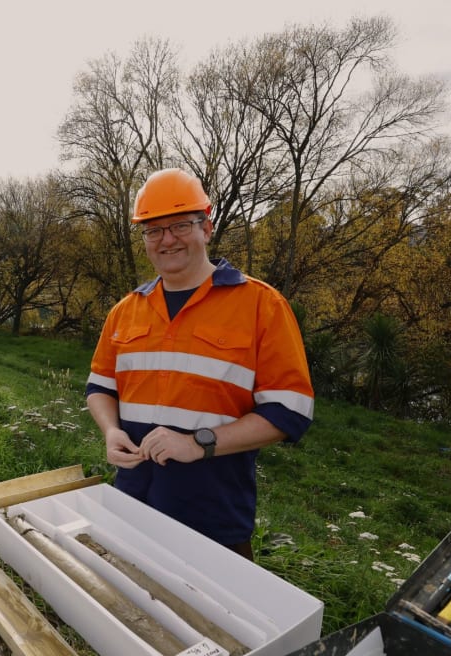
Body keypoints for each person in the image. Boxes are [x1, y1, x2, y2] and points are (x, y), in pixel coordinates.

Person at [85, 169, 314, 560]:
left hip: (213, 520)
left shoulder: (261, 305)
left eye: (180, 225)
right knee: (129, 611)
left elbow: (290, 412)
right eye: (153, 230)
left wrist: (198, 444)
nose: (167, 239)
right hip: (131, 502)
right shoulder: (127, 311)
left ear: (206, 227)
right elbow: (100, 388)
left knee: (207, 620)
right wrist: (110, 431)